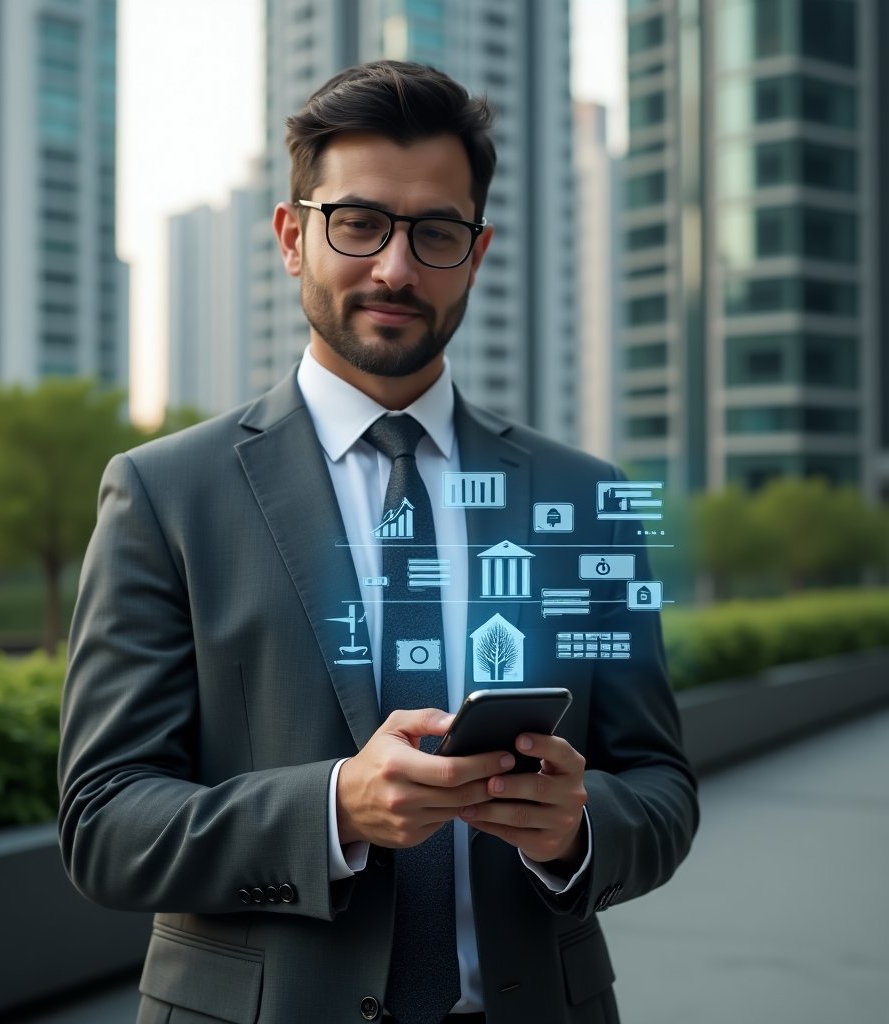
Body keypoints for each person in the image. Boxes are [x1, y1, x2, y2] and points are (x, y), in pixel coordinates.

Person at [58, 61, 698, 1024]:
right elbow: (104, 824)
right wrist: (333, 810)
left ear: (476, 254)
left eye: (436, 232)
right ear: (292, 235)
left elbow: (660, 789)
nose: (395, 269)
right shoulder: (163, 492)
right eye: (358, 223)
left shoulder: (585, 498)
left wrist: (575, 830)